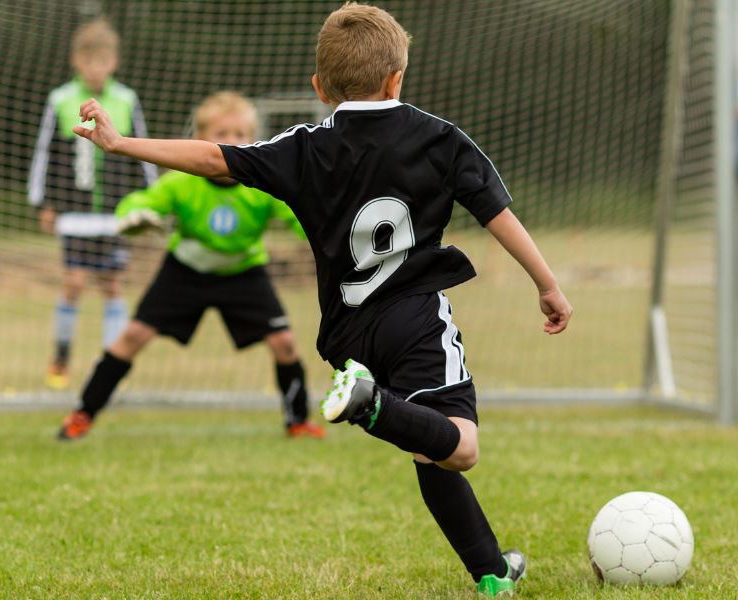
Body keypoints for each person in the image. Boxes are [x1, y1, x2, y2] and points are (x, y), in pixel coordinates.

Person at [71, 3, 573, 595]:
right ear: (397, 77)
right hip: (413, 318)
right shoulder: (439, 138)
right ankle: (370, 404)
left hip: (346, 333)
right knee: (459, 446)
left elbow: (212, 157)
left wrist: (122, 143)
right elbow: (496, 215)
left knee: (426, 446)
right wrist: (546, 283)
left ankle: (492, 574)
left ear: (319, 87)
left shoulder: (306, 146)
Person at [57, 92, 325, 441]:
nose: (232, 142)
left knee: (285, 343)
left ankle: (298, 422)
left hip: (243, 273)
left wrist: (324, 230)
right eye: (222, 133)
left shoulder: (263, 184)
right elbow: (138, 203)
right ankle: (82, 414)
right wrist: (133, 217)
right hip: (185, 271)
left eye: (241, 134)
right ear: (200, 139)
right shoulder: (182, 180)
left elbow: (301, 217)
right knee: (132, 337)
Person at [28, 17, 157, 390]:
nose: (96, 68)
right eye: (89, 61)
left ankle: (109, 365)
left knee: (113, 285)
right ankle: (61, 357)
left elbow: (142, 150)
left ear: (113, 61)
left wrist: (147, 202)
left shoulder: (126, 100)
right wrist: (44, 204)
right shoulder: (60, 100)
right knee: (74, 281)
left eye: (103, 61)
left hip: (114, 214)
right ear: (77, 61)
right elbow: (45, 153)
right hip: (73, 213)